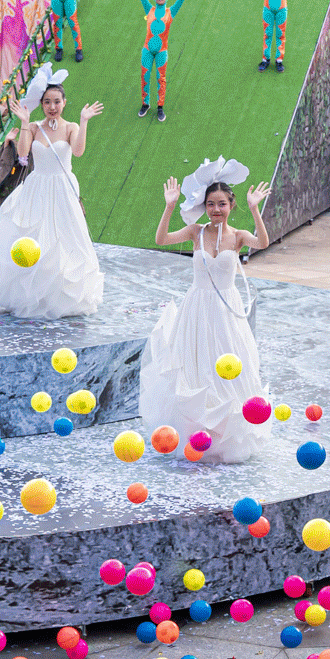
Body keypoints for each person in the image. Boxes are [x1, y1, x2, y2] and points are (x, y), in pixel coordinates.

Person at [139, 159, 274, 463]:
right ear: (205, 205)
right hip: (197, 308)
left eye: (222, 204)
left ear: (231, 204)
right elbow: (161, 239)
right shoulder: (195, 232)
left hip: (226, 310)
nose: (216, 209)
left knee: (228, 364)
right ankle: (194, 429)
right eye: (211, 203)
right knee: (196, 364)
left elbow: (263, 242)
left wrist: (255, 210)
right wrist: (169, 206)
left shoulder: (238, 236)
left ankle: (227, 429)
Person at [0, 67, 105, 318]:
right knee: (33, 236)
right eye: (47, 102)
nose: (52, 106)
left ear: (64, 103)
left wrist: (84, 121)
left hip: (61, 188)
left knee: (64, 237)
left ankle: (62, 291)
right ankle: (30, 292)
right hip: (37, 188)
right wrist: (25, 122)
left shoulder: (70, 128)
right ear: (42, 104)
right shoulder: (35, 127)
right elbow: (23, 154)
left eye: (56, 101)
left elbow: (78, 152)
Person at [137, 0, 189, 119]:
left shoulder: (170, 12)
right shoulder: (150, 9)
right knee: (144, 76)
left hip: (161, 51)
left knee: (161, 78)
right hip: (147, 50)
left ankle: (160, 106)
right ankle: (145, 104)